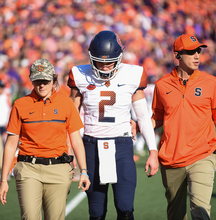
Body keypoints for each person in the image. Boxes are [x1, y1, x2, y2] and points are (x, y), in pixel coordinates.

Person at [68, 30, 158, 220]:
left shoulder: (132, 74)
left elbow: (142, 116)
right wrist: (69, 152)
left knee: (125, 208)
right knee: (96, 211)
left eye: (109, 61)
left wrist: (153, 151)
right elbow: (71, 118)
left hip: (122, 145)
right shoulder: (80, 74)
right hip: (91, 146)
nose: (105, 66)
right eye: (100, 61)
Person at [151, 34, 216, 220]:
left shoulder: (211, 82)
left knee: (200, 209)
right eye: (191, 52)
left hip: (202, 155)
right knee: (176, 215)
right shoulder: (161, 85)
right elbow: (156, 119)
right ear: (178, 55)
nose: (197, 55)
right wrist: (139, 126)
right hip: (171, 158)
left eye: (198, 51)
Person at [0, 59, 90, 220]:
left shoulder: (66, 103)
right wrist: (3, 179)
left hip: (59, 169)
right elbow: (11, 144)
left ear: (54, 80)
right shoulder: (20, 104)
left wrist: (83, 171)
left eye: (46, 81)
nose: (41, 85)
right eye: (37, 81)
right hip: (28, 169)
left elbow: (76, 140)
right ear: (31, 80)